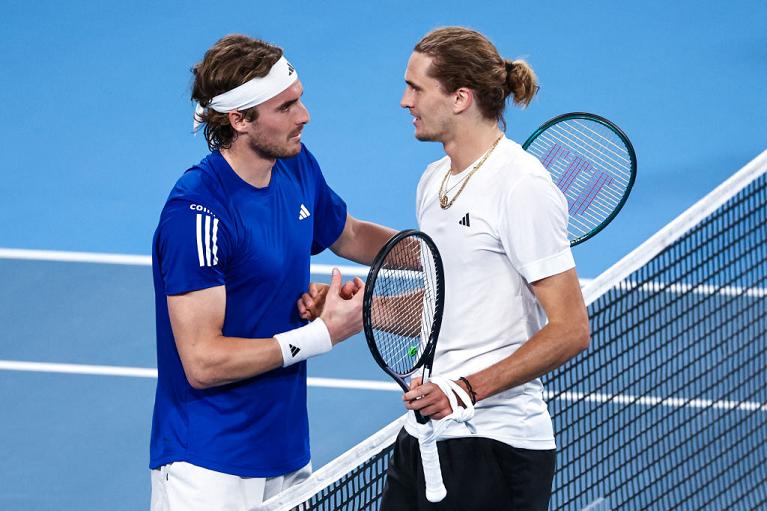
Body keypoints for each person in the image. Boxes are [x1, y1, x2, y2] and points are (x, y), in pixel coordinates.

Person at [149, 34, 394, 510]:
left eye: (299, 100)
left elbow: (351, 235)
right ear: (239, 120)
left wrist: (438, 251)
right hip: (209, 465)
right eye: (285, 107)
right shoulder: (196, 213)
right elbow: (202, 362)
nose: (304, 116)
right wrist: (323, 335)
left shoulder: (296, 167)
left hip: (285, 451)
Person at [381, 27, 590, 510]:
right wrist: (360, 311)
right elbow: (450, 302)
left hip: (495, 443)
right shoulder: (435, 181)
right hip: (425, 435)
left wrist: (466, 391)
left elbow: (571, 329)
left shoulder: (520, 186)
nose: (404, 101)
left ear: (459, 98)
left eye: (416, 88)